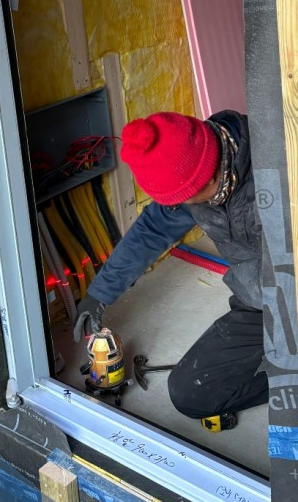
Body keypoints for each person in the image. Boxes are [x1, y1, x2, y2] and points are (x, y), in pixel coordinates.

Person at [73, 110, 267, 423]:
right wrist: (99, 293)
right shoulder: (194, 181)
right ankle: (293, 380)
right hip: (259, 304)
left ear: (209, 173)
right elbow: (152, 229)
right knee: (191, 394)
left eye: (189, 197)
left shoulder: (276, 164)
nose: (186, 205)